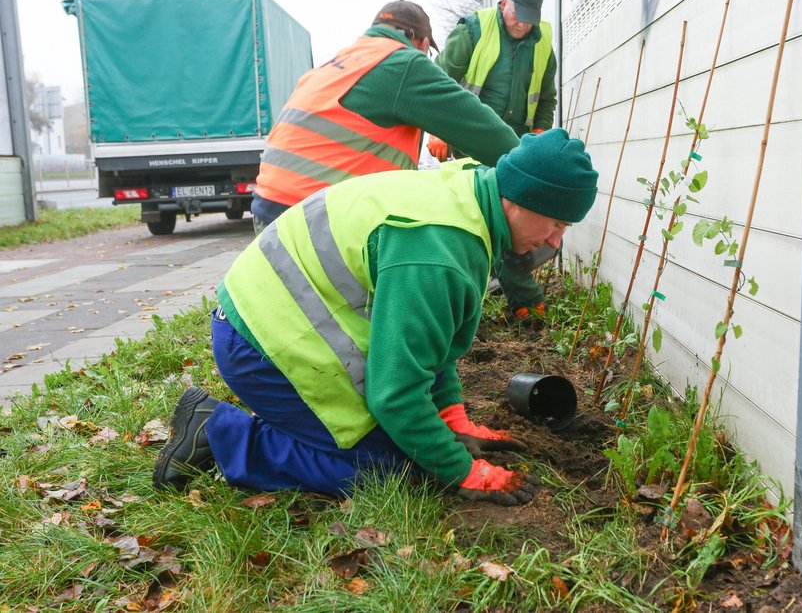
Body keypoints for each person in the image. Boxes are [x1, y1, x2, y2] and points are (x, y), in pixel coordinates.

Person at [153, 129, 599, 507]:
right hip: (261, 344)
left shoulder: (468, 196)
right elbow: (396, 395)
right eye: (557, 224)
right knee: (390, 468)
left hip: (277, 318)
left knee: (413, 443)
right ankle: (220, 432)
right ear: (520, 199)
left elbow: (432, 342)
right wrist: (460, 471)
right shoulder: (438, 250)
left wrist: (451, 417)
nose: (555, 242)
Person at [250, 0, 521, 232]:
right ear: (423, 43)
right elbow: (485, 132)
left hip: (268, 208)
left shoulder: (337, 63)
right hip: (313, 219)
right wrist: (532, 166)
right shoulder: (403, 63)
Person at [430, 0, 558, 322]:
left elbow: (547, 97)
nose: (522, 23)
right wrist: (437, 129)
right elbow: (436, 81)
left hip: (515, 146)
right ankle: (523, 300)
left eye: (529, 18)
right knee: (489, 213)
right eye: (518, 14)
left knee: (510, 215)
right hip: (469, 140)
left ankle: (500, 290)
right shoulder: (474, 30)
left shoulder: (542, 42)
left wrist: (541, 131)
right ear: (504, 4)